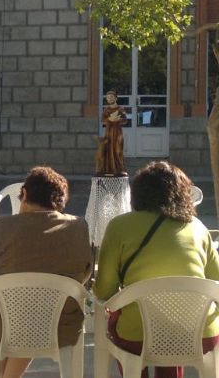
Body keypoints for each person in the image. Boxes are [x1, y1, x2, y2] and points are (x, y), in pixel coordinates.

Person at [0, 166, 92, 378]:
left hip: (0, 327)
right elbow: (85, 275)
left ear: (24, 194)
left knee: (8, 311)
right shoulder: (78, 228)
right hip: (58, 327)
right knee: (33, 312)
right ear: (61, 202)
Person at [94, 161, 219, 378]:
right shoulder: (198, 228)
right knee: (171, 333)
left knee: (131, 327)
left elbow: (104, 292)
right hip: (199, 334)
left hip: (138, 335)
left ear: (138, 193)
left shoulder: (119, 226)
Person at [96, 90, 128, 176]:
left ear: (116, 98)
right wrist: (109, 119)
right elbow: (103, 120)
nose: (109, 99)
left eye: (111, 97)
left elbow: (125, 120)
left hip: (117, 132)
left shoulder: (121, 109)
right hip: (109, 132)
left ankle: (119, 168)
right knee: (108, 149)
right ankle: (109, 169)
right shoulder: (106, 110)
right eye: (108, 98)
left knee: (118, 150)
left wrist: (118, 119)